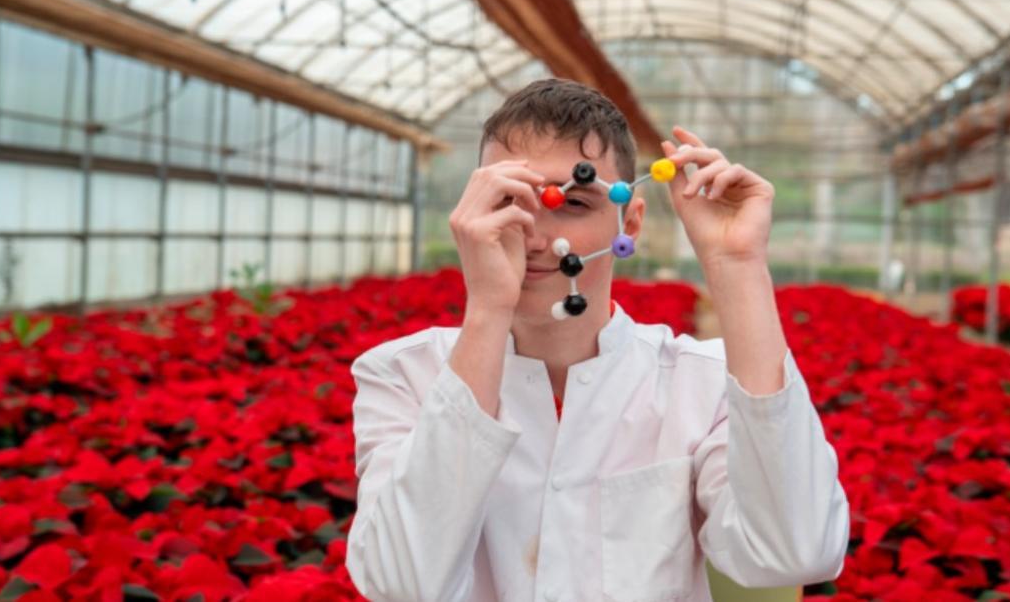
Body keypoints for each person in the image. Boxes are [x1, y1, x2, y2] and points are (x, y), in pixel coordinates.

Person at [345, 78, 850, 601]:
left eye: (574, 204)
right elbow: (401, 583)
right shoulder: (403, 375)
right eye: (510, 200)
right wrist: (488, 308)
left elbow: (795, 550)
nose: (537, 237)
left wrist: (737, 265)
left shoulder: (699, 385)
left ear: (629, 220)